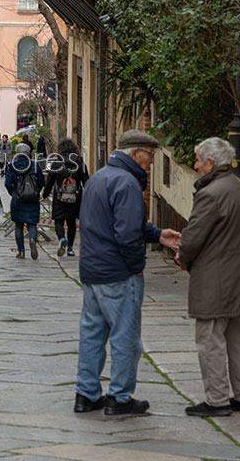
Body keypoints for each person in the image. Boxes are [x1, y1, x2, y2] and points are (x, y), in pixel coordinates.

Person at [74, 130, 180, 416]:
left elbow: (111, 223)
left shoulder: (98, 178)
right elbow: (127, 232)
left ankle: (86, 395)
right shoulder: (128, 183)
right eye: (150, 154)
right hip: (118, 273)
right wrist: (136, 267)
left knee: (92, 333)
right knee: (126, 337)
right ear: (135, 153)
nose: (152, 161)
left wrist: (158, 234)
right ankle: (119, 397)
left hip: (92, 270)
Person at [175, 137, 240, 418]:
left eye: (198, 160)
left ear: (210, 163)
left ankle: (217, 400)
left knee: (210, 340)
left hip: (214, 279)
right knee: (238, 338)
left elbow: (193, 237)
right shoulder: (237, 187)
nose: (196, 165)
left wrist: (182, 257)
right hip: (239, 276)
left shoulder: (211, 193)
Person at [42, 139, 89, 257]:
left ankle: (62, 238)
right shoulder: (80, 162)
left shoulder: (56, 162)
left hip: (59, 196)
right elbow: (86, 181)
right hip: (75, 197)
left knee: (59, 220)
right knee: (72, 222)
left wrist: (45, 195)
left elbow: (50, 181)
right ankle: (70, 248)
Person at [5, 143, 45, 259]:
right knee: (32, 224)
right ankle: (32, 240)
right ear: (29, 153)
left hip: (18, 199)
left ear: (17, 153)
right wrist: (36, 191)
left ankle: (21, 251)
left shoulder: (12, 166)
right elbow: (41, 181)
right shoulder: (35, 165)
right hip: (32, 199)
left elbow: (8, 183)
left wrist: (13, 192)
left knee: (18, 225)